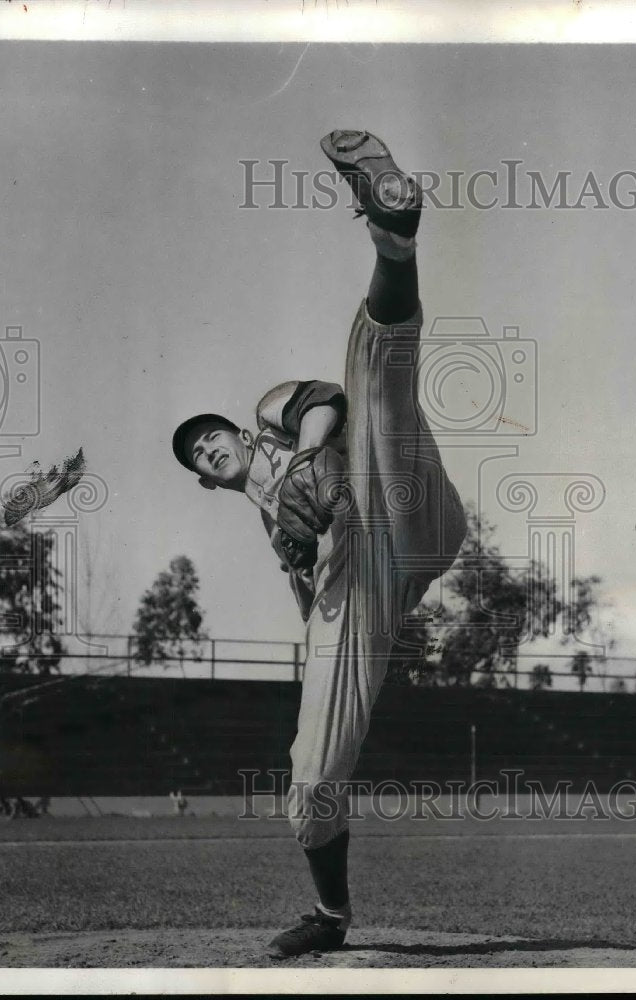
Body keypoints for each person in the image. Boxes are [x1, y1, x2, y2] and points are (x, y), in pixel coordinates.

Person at [172, 130, 466, 958]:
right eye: (198, 455)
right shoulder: (270, 522)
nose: (209, 448)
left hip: (396, 503)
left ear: (233, 428)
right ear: (206, 480)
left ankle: (393, 232)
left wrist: (305, 453)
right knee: (308, 779)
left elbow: (324, 400)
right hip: (359, 590)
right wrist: (307, 587)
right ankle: (332, 916)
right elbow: (311, 594)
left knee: (375, 380)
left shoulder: (269, 418)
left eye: (209, 435)